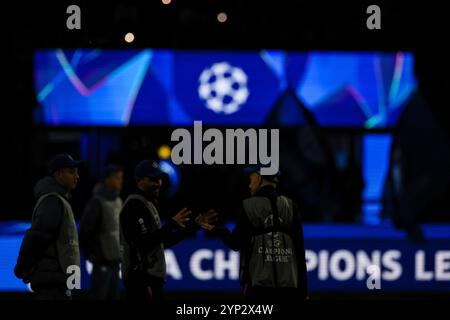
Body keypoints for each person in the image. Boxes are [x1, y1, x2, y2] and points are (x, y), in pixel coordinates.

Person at [200, 165, 308, 303]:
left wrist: (216, 229)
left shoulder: (248, 206)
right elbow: (299, 251)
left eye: (251, 180)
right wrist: (303, 290)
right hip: (290, 288)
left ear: (259, 178)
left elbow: (236, 243)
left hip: (259, 287)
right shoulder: (291, 206)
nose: (250, 185)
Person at [119, 159, 217, 301]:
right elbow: (141, 243)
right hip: (141, 283)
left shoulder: (148, 204)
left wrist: (194, 227)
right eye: (152, 179)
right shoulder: (134, 206)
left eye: (159, 178)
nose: (158, 183)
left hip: (150, 282)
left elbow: (163, 242)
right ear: (139, 181)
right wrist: (171, 224)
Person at [14, 153, 83, 300]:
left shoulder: (58, 199)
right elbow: (38, 236)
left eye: (77, 172)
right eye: (72, 172)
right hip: (53, 283)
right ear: (59, 174)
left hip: (56, 280)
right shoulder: (52, 200)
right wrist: (22, 267)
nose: (77, 176)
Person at [79, 165, 124, 300]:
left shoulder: (118, 200)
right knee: (99, 296)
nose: (120, 181)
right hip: (102, 261)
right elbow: (85, 232)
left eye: (121, 178)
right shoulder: (96, 202)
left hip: (115, 260)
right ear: (107, 179)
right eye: (117, 178)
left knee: (113, 296)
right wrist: (93, 255)